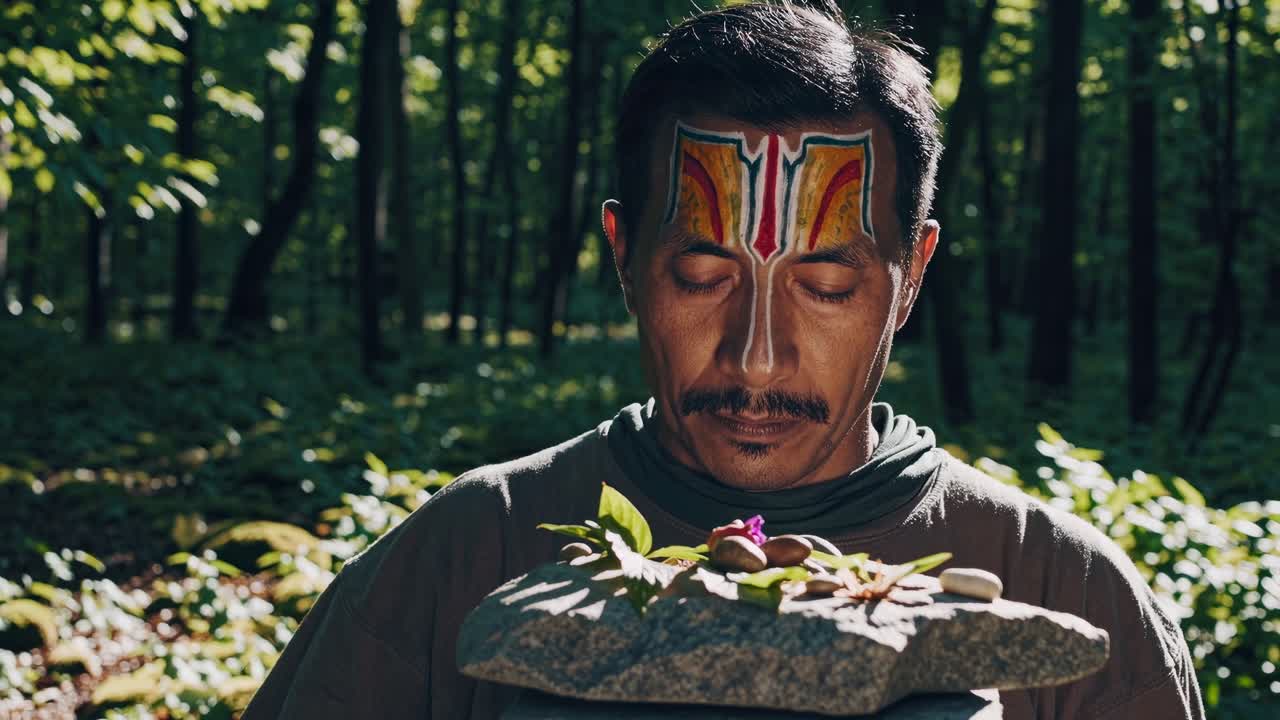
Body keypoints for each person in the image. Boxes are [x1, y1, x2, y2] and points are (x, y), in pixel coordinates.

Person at [241, 2, 1203, 718]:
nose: (758, 353)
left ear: (911, 277)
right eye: (703, 274)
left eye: (826, 287)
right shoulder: (465, 554)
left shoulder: (1060, 590)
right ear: (623, 257)